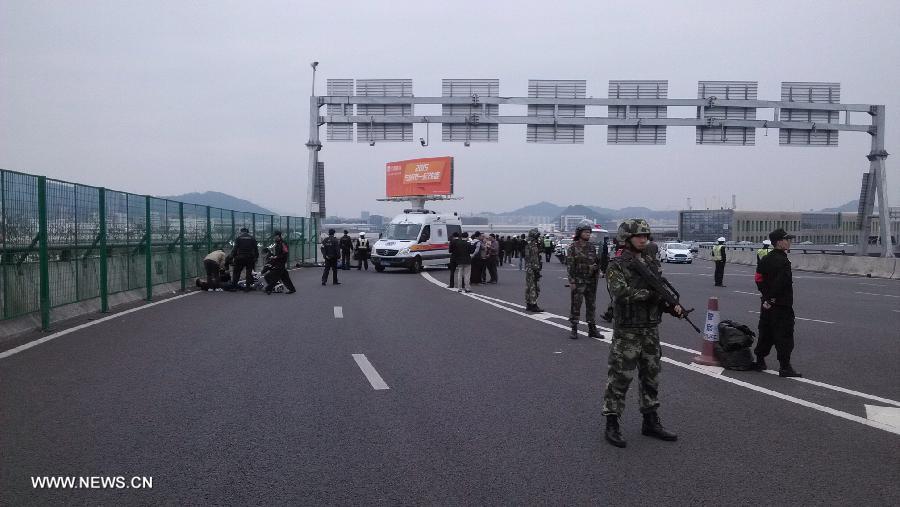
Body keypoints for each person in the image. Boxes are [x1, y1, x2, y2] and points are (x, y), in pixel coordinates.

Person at [602, 219, 680, 448]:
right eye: (638, 236)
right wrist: (649, 294)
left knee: (651, 375)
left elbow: (660, 290)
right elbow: (619, 292)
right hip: (627, 331)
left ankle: (650, 420)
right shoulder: (617, 264)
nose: (643, 239)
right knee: (620, 377)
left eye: (646, 235)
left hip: (649, 328)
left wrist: (669, 305)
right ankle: (612, 423)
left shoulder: (650, 261)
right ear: (626, 238)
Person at [753, 229, 801, 377]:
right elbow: (782, 283)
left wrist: (766, 297)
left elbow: (758, 278)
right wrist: (773, 297)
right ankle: (785, 367)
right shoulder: (784, 261)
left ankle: (760, 360)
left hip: (767, 304)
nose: (790, 242)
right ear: (779, 242)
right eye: (787, 239)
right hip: (781, 305)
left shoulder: (765, 259)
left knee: (765, 332)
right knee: (784, 335)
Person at [567, 221, 601, 339]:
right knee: (576, 305)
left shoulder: (592, 247)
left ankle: (592, 329)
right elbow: (570, 266)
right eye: (585, 232)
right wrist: (572, 281)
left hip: (591, 281)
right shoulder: (573, 247)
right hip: (579, 280)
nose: (588, 234)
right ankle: (574, 328)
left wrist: (598, 269)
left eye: (589, 232)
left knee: (591, 305)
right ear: (579, 233)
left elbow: (595, 261)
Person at [230, 227, 259, 292]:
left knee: (237, 272)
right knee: (248, 273)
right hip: (250, 258)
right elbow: (256, 249)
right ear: (247, 232)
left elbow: (235, 249)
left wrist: (232, 257)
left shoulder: (238, 238)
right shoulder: (252, 238)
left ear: (242, 232)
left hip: (240, 258)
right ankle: (247, 287)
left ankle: (234, 287)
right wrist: (256, 257)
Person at [524, 228, 544, 312]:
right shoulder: (532, 245)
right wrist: (536, 269)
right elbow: (533, 259)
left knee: (530, 287)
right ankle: (533, 304)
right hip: (532, 268)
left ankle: (529, 304)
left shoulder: (530, 244)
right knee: (534, 287)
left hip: (530, 268)